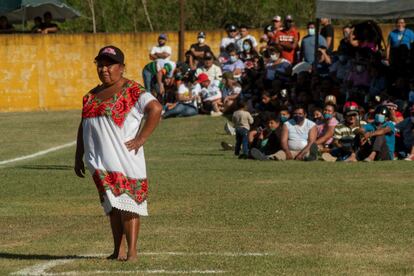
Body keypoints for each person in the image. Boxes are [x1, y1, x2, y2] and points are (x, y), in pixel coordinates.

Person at [74, 45, 162, 261]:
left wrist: (141, 138)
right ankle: (118, 250)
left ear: (121, 67)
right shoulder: (90, 96)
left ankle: (132, 252)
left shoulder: (133, 90)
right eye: (100, 65)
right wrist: (79, 154)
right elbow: (83, 124)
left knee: (129, 205)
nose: (104, 69)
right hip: (100, 164)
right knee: (112, 207)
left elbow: (156, 109)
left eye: (109, 65)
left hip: (125, 161)